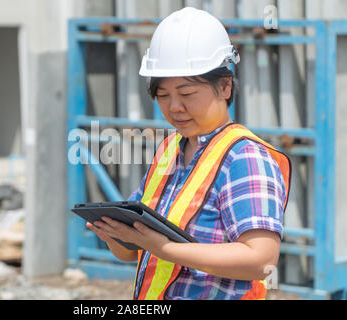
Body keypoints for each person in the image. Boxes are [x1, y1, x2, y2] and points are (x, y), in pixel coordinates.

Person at [86, 7, 291, 300]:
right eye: (163, 95)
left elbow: (261, 260)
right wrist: (115, 235)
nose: (174, 107)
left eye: (187, 94)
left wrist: (164, 248)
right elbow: (134, 253)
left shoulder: (244, 158)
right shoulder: (169, 151)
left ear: (225, 86)